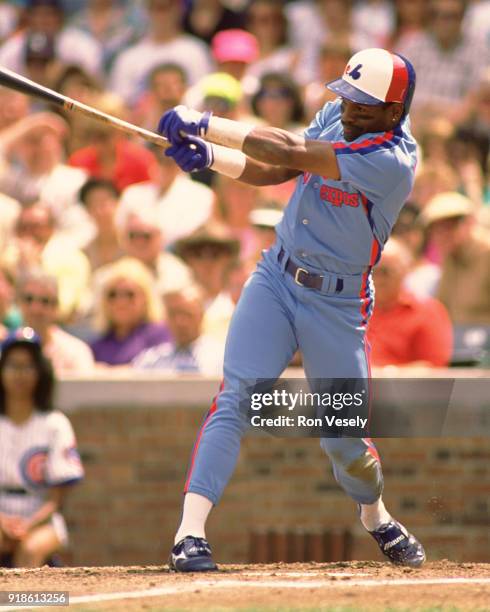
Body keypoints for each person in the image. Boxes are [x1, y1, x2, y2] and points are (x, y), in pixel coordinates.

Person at [157, 47, 426, 570]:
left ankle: (375, 515)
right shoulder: (340, 112)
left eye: (363, 107)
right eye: (346, 99)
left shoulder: (392, 159)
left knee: (343, 440)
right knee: (235, 396)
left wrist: (206, 123)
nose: (348, 113)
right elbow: (275, 166)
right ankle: (189, 534)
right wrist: (211, 158)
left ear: (393, 113)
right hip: (276, 277)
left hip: (338, 303)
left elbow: (291, 151)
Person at [0, 327, 84, 567]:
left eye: (28, 366)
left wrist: (27, 526)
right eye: (13, 365)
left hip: (42, 518)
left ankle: (29, 604)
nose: (20, 374)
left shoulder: (54, 423)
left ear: (40, 372)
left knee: (31, 548)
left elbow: (56, 499)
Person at [367, 238, 453, 367]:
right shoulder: (354, 311)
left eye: (385, 272)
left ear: (405, 270)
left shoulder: (428, 312)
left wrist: (386, 374)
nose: (377, 279)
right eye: (372, 271)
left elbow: (435, 368)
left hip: (400, 386)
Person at [90, 257, 171, 366]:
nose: (120, 302)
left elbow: (155, 369)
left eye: (129, 294)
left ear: (146, 298)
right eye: (112, 294)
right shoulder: (97, 346)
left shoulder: (161, 334)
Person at [133, 285, 225, 376]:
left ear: (201, 315)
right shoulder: (153, 360)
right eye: (173, 314)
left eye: (187, 314)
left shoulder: (221, 359)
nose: (180, 322)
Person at [16, 269, 95, 375]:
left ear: (56, 307)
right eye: (29, 299)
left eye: (45, 301)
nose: (36, 309)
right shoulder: (5, 348)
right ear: (18, 303)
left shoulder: (76, 352)